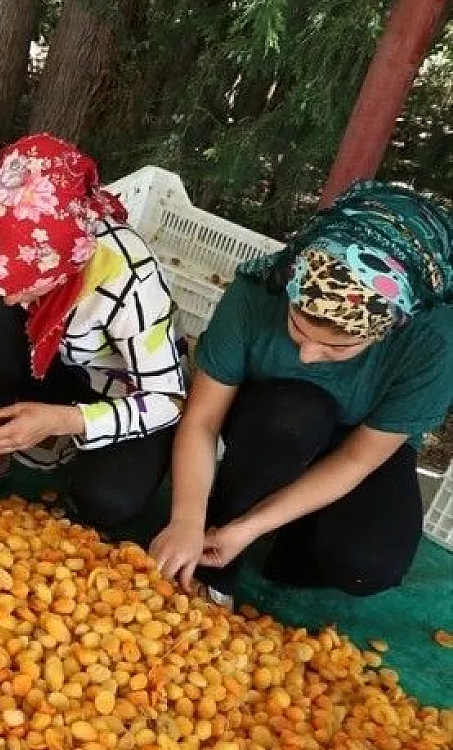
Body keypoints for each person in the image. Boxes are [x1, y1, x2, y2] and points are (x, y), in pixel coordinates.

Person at [150, 181, 453, 604]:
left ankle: (283, 539)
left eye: (336, 347)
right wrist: (186, 518)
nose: (308, 355)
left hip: (357, 444)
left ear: (389, 329)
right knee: (294, 415)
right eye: (298, 327)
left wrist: (249, 528)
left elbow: (355, 461)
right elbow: (201, 420)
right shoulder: (259, 290)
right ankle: (217, 563)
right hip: (273, 422)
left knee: (368, 564)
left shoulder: (433, 345)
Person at [0, 133, 186, 529]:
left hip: (113, 391)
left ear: (65, 266)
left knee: (108, 501)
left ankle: (70, 464)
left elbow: (168, 399)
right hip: (39, 366)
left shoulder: (127, 273)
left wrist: (63, 421)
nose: (12, 299)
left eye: (26, 286)